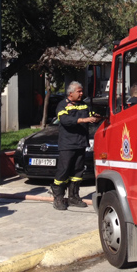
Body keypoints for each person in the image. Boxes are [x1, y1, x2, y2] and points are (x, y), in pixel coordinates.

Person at [51, 81, 102, 210]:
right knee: (63, 171)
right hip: (67, 144)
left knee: (78, 171)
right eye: (79, 91)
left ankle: (74, 197)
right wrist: (82, 120)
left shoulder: (84, 105)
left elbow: (90, 115)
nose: (81, 93)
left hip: (81, 143)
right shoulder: (62, 105)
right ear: (70, 93)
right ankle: (58, 198)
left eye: (81, 91)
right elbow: (65, 120)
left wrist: (96, 117)